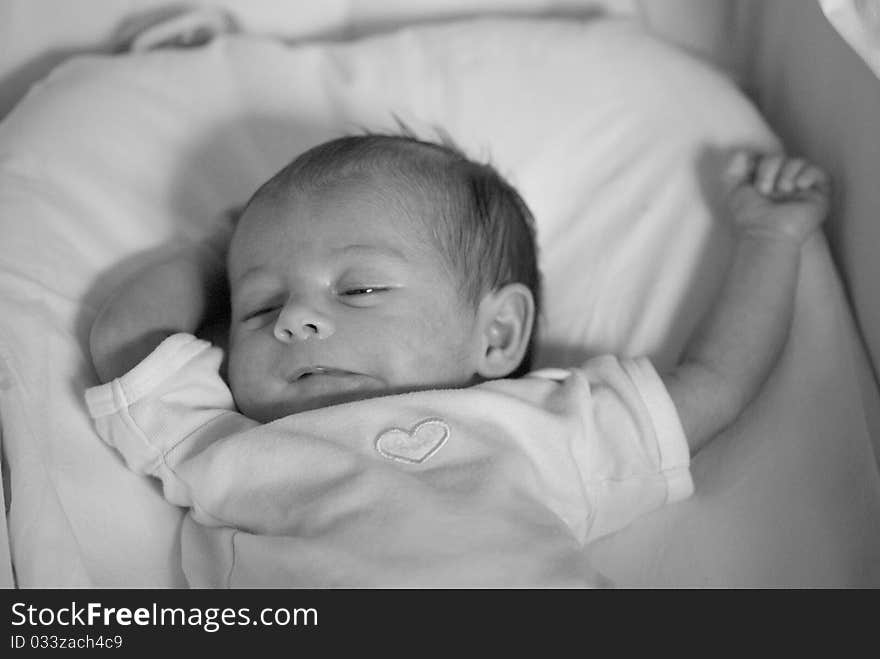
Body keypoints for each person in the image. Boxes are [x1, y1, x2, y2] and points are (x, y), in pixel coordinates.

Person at [85, 134, 828, 586]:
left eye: (361, 287)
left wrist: (772, 241)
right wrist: (227, 242)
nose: (296, 317)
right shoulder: (227, 444)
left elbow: (714, 384)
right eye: (258, 304)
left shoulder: (538, 427)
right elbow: (127, 339)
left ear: (497, 335)